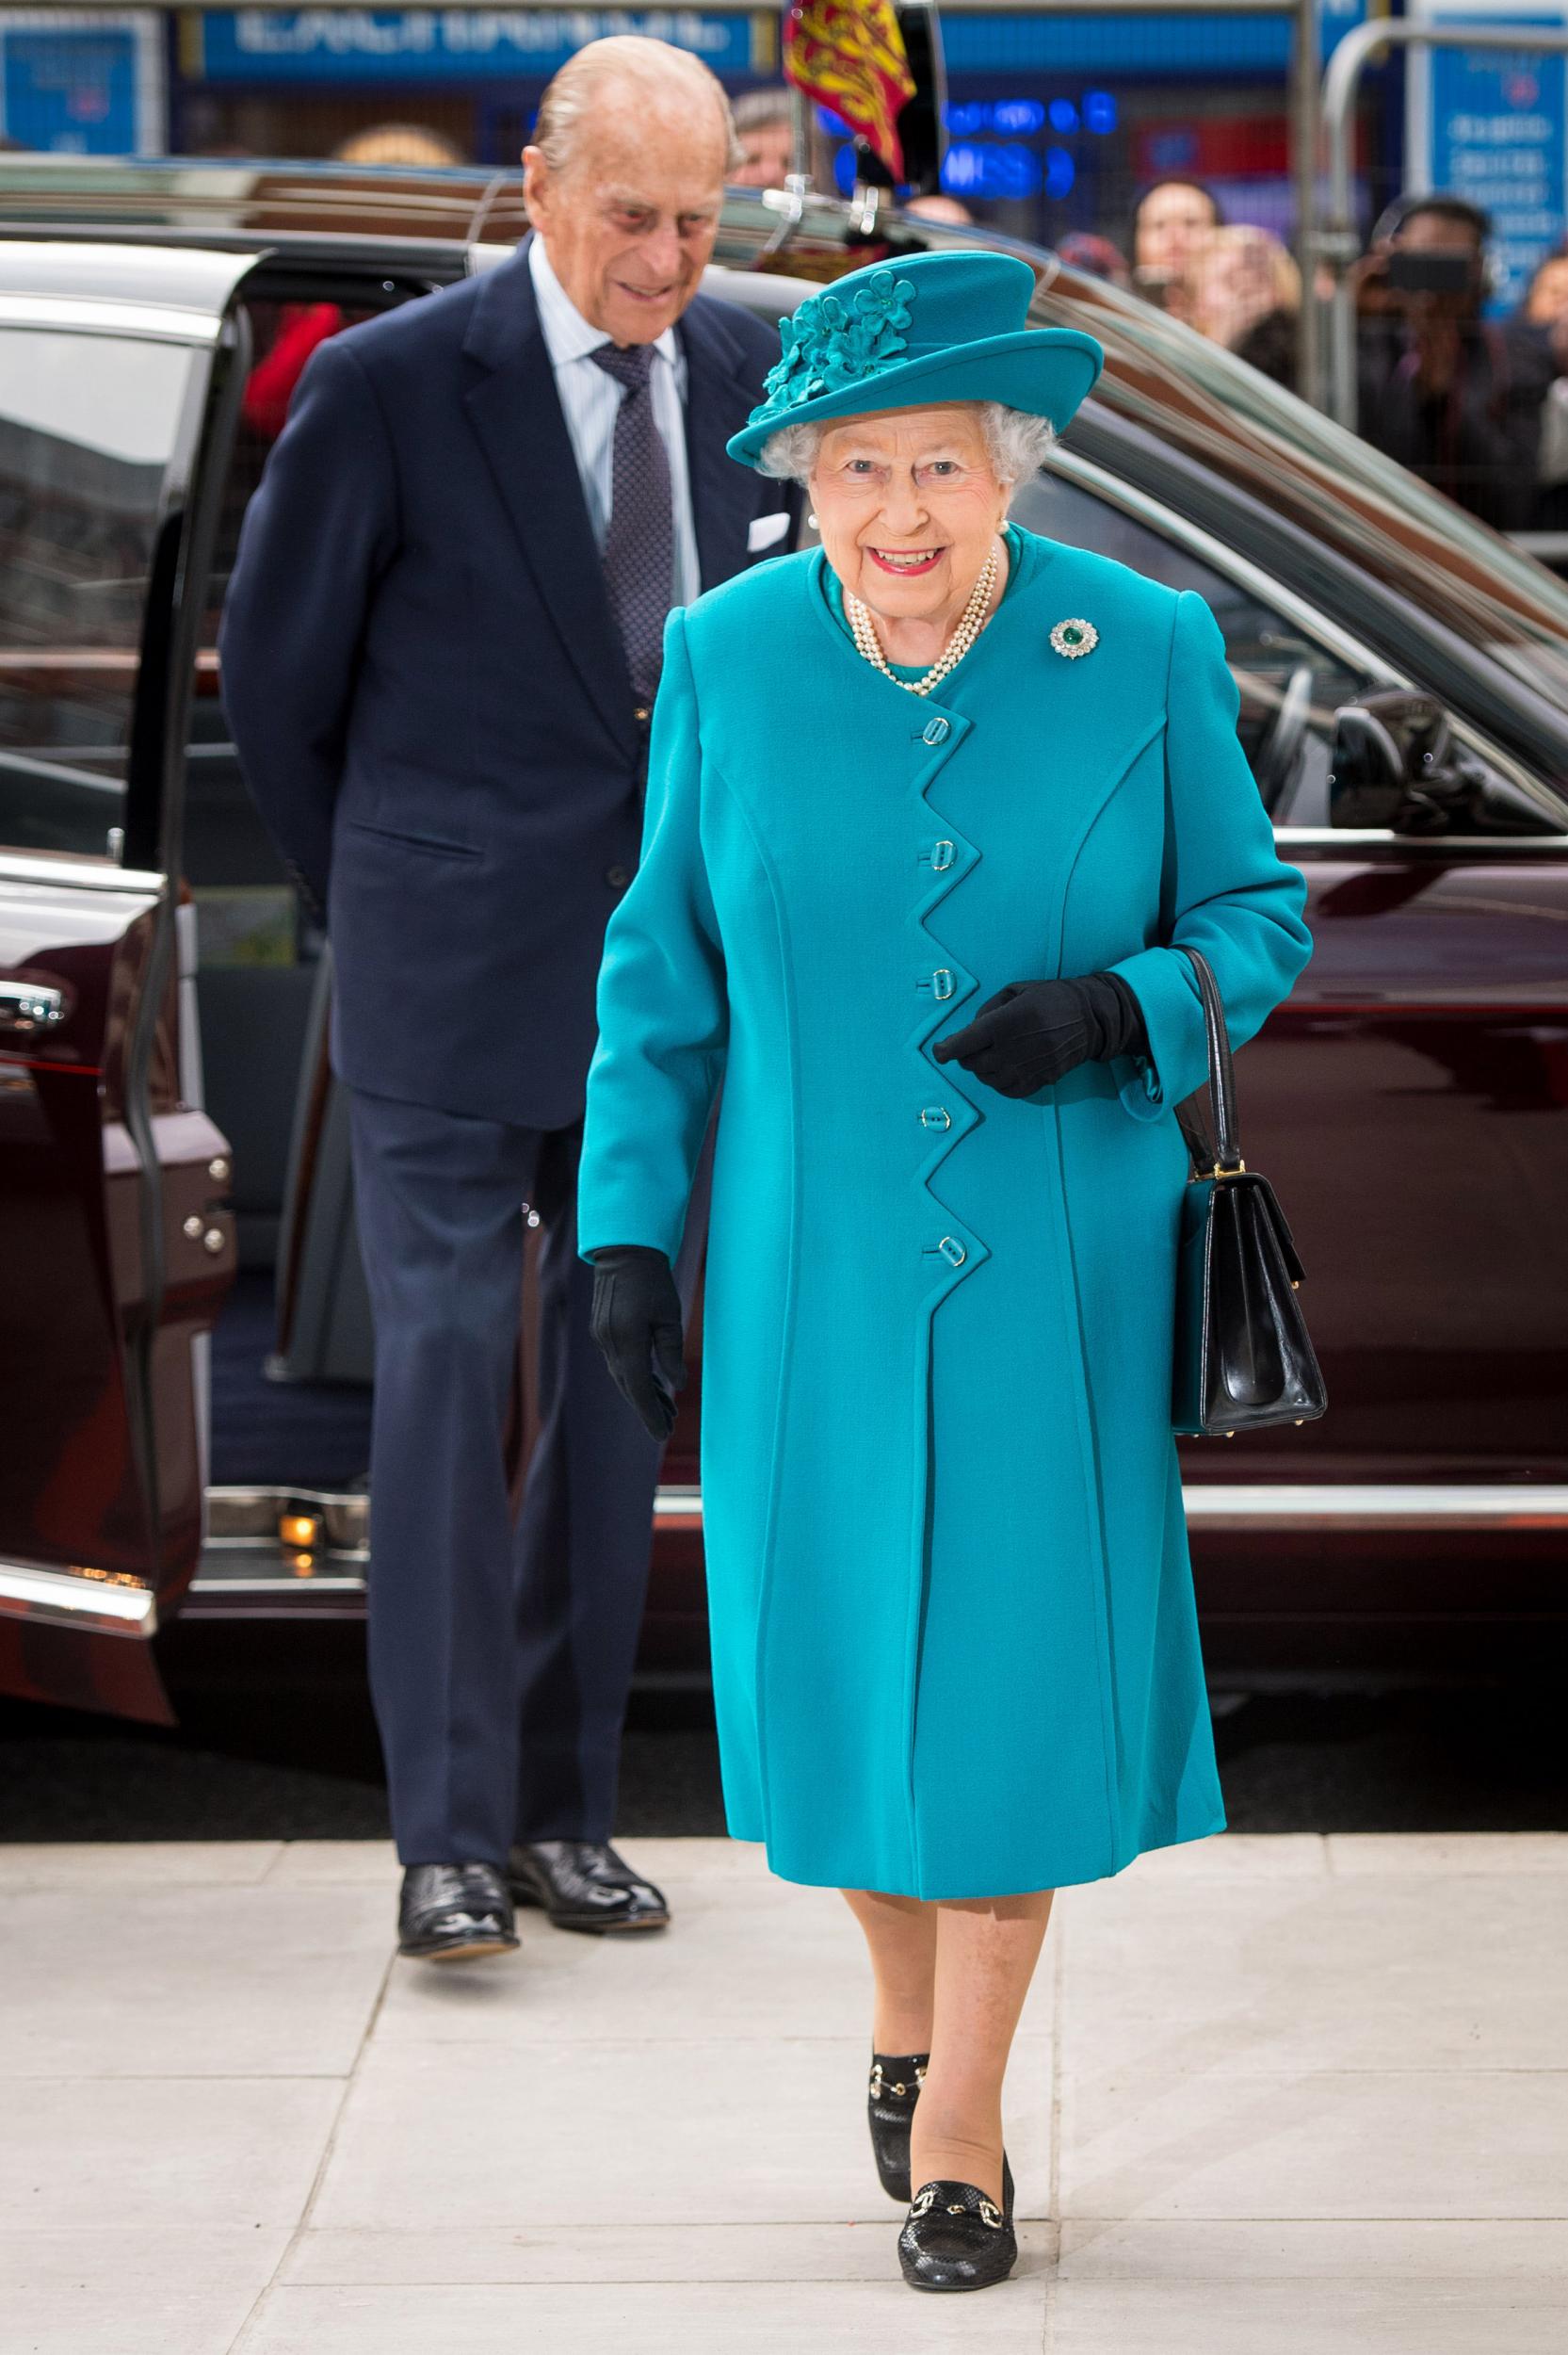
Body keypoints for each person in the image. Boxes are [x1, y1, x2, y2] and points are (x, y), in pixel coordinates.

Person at [576, 249, 1313, 2291]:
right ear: (802, 482)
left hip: (1059, 1269)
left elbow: (1261, 916)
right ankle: (897, 2016)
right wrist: (629, 1231)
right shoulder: (726, 658)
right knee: (836, 1696)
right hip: (806, 1274)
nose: (898, 512)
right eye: (856, 469)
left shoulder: (1139, 642)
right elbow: (659, 974)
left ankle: (965, 2121)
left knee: (1005, 1689)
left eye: (940, 467)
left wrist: (1124, 1007)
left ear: (1011, 473)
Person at [219, 36, 797, 1966]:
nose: (663, 257)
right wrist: (387, 891)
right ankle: (445, 1836)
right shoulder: (394, 386)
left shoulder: (745, 369)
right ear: (541, 180)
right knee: (452, 1372)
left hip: (668, 979)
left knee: (621, 1384)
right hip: (444, 968)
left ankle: (564, 1811)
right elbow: (279, 690)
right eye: (631, 214)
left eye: (698, 219)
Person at [1353, 193, 1554, 532]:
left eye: (1450, 268)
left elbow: (1512, 499)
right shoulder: (1364, 343)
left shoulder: (1515, 359)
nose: (1434, 287)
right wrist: (1345, 317)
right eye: (1421, 264)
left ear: (1483, 273)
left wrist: (1444, 397)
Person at [1196, 222, 1301, 385]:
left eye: (1260, 281)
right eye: (1232, 281)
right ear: (1199, 302)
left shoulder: (1310, 364)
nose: (1247, 294)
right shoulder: (1175, 366)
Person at [1129, 176, 1222, 322]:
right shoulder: (1113, 314)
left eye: (1190, 223)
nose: (1175, 237)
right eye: (1158, 225)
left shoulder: (1246, 324)